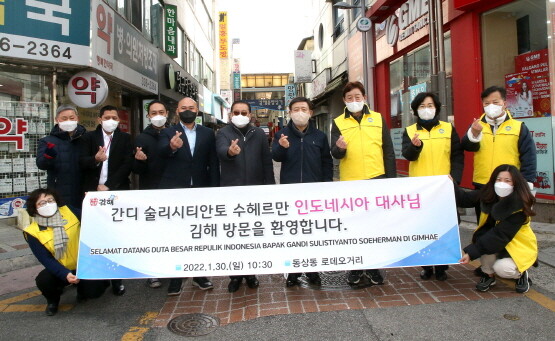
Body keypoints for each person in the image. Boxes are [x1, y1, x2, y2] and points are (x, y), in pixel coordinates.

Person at [330, 81, 396, 286]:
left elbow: (388, 151)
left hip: (377, 179)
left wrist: (390, 181)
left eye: (357, 97)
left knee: (376, 227)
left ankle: (374, 268)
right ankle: (355, 268)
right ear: (344, 101)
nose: (354, 101)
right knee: (355, 227)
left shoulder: (377, 118)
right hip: (351, 182)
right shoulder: (338, 122)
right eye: (349, 98)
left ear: (365, 98)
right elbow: (334, 153)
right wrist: (339, 148)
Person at [158, 97, 219, 295]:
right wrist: (171, 148)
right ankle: (175, 278)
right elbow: (160, 155)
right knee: (177, 236)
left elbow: (213, 162)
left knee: (198, 235)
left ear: (197, 110)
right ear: (177, 111)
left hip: (200, 190)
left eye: (191, 108)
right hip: (176, 190)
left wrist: (215, 189)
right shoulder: (167, 132)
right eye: (183, 108)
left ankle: (199, 276)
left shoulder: (208, 133)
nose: (187, 111)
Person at [402, 92, 464, 281]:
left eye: (430, 105)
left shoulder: (448, 128)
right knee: (423, 228)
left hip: (443, 187)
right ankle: (426, 266)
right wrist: (414, 146)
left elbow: (457, 155)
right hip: (420, 189)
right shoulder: (410, 130)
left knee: (444, 226)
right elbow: (408, 155)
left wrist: (455, 178)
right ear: (415, 110)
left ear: (436, 108)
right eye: (422, 106)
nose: (426, 109)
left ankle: (442, 267)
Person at [272, 97, 333, 287]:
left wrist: (326, 186)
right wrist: (281, 147)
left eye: (303, 109)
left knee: (312, 232)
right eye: (296, 109)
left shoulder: (320, 136)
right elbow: (275, 157)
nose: (300, 112)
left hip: (314, 193)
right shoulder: (281, 135)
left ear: (310, 112)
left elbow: (326, 163)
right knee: (294, 233)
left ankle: (313, 270)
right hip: (291, 192)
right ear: (290, 112)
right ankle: (294, 270)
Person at [216, 100, 274, 293]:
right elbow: (221, 151)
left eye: (244, 112)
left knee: (252, 235)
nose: (240, 115)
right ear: (230, 114)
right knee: (234, 236)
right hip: (232, 192)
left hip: (255, 192)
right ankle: (235, 275)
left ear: (250, 115)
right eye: (236, 112)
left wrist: (270, 187)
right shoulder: (223, 133)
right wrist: (229, 152)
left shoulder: (258, 133)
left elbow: (267, 161)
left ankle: (251, 274)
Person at [23, 188, 109, 316]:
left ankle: (83, 290)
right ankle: (52, 301)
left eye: (50, 200)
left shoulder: (69, 211)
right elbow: (45, 259)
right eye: (42, 203)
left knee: (94, 292)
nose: (48, 204)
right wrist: (64, 274)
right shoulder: (32, 231)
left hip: (84, 265)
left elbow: (93, 218)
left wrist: (92, 203)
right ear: (35, 208)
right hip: (61, 268)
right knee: (44, 280)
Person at [461, 86, 536, 223]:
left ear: (504, 103)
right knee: (484, 224)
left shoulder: (518, 127)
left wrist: (526, 183)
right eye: (487, 103)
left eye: (495, 102)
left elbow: (529, 156)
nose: (491, 106)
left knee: (508, 225)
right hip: (483, 185)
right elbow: (466, 146)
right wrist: (474, 133)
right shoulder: (477, 125)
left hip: (510, 184)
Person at [458, 164, 537, 294]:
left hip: (516, 246)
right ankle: (488, 276)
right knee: (483, 245)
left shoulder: (519, 206)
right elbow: (464, 199)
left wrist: (471, 253)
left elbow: (499, 235)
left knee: (503, 268)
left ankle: (520, 274)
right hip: (493, 243)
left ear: (515, 183)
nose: (502, 184)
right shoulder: (488, 194)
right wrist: (449, 184)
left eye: (507, 180)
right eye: (499, 180)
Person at [79, 105, 133, 296]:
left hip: (116, 192)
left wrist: (109, 185)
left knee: (116, 236)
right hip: (92, 194)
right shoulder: (88, 138)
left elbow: (127, 164)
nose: (111, 120)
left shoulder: (125, 138)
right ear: (100, 120)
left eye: (114, 117)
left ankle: (117, 279)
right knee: (96, 236)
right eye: (107, 117)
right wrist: (95, 159)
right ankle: (97, 277)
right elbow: (81, 161)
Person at [132, 100, 169, 289]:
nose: (158, 116)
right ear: (148, 116)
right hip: (151, 190)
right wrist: (140, 161)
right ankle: (152, 272)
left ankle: (173, 269)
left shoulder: (175, 134)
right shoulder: (141, 138)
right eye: (154, 113)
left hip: (173, 190)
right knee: (152, 233)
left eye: (161, 112)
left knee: (172, 231)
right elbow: (136, 170)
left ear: (167, 113)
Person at [36, 105, 87, 208]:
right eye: (64, 118)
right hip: (58, 191)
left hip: (83, 191)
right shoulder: (47, 141)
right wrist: (48, 156)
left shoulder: (87, 138)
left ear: (77, 119)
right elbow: (41, 164)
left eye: (72, 118)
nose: (68, 121)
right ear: (57, 120)